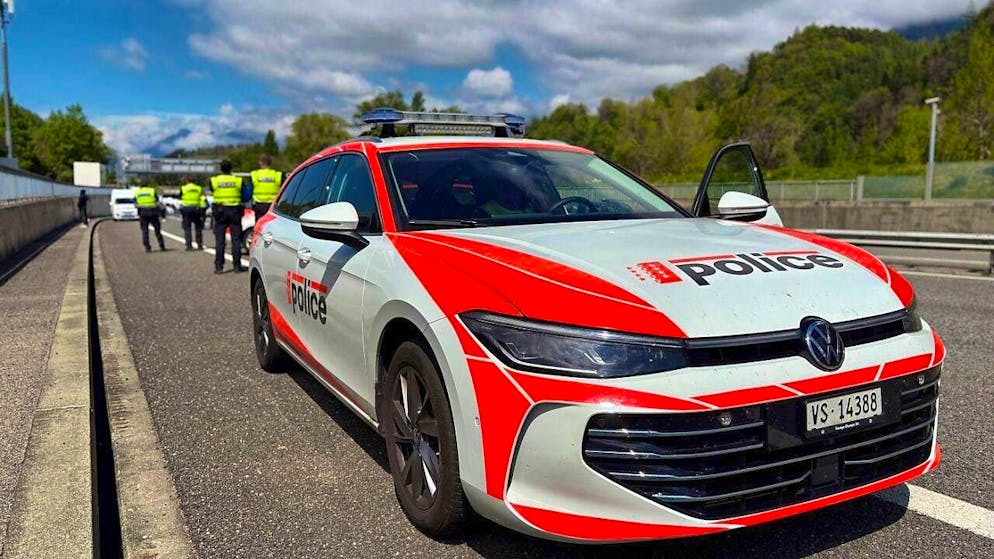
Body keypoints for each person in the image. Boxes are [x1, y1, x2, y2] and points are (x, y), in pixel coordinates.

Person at [209, 160, 246, 274]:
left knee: (220, 240)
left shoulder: (214, 180)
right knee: (236, 240)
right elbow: (244, 196)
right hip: (235, 211)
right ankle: (236, 266)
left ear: (221, 168)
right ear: (231, 168)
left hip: (220, 211)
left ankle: (219, 267)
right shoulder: (238, 180)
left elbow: (212, 191)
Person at [249, 154, 282, 223]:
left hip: (259, 206)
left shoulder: (255, 174)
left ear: (260, 162)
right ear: (270, 163)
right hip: (273, 207)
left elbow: (249, 191)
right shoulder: (277, 175)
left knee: (260, 226)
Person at [134, 184, 166, 252]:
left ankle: (147, 247)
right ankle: (161, 246)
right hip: (153, 213)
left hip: (143, 213)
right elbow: (157, 202)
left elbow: (135, 204)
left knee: (145, 231)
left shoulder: (137, 192)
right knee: (157, 230)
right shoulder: (152, 191)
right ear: (148, 184)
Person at [179, 176, 205, 251]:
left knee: (187, 228)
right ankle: (200, 245)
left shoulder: (183, 188)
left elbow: (180, 197)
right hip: (196, 209)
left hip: (186, 209)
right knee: (198, 228)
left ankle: (189, 246)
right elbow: (202, 198)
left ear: (187, 180)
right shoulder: (199, 188)